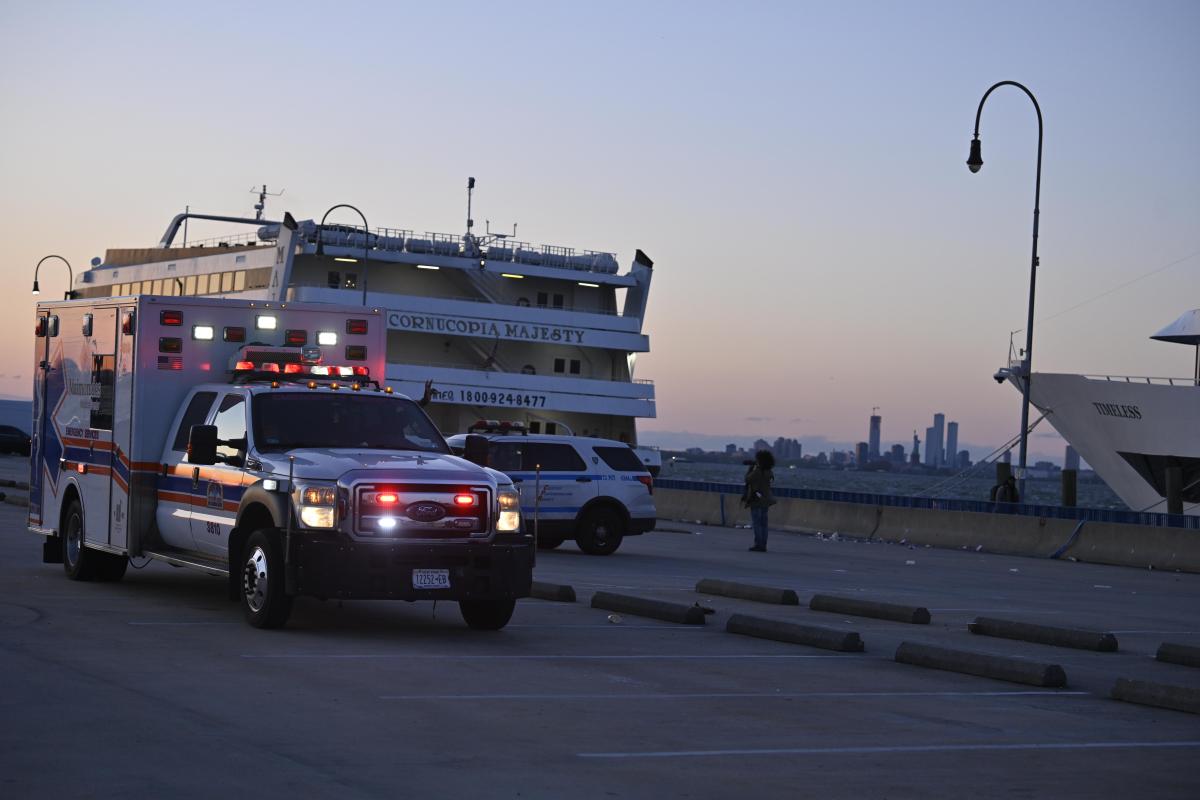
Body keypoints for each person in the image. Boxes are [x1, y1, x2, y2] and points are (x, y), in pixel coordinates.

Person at [742, 450, 776, 552]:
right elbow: (771, 481)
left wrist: (751, 469)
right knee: (764, 524)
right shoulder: (769, 471)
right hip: (765, 499)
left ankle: (758, 544)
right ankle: (763, 544)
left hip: (756, 499)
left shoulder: (757, 471)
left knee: (757, 523)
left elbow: (747, 479)